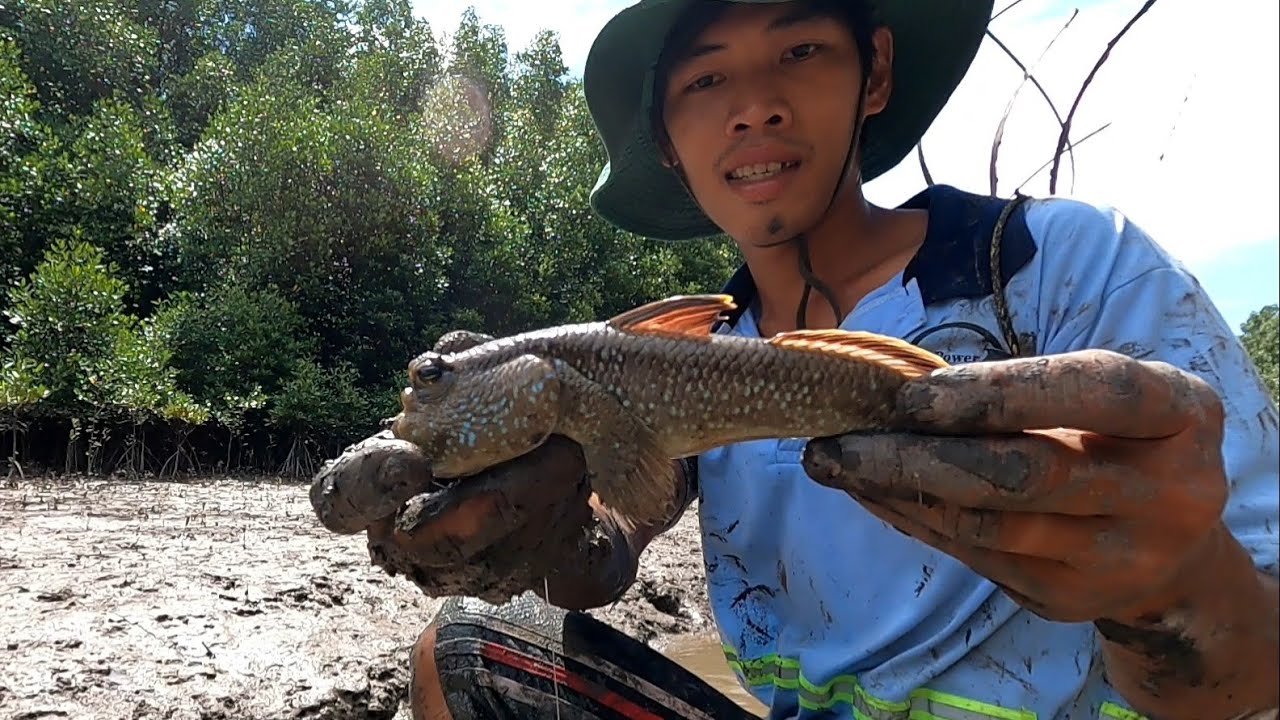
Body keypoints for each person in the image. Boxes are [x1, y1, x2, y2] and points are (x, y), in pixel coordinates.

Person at [310, 1, 1280, 718]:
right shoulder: (687, 352)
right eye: (703, 78)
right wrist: (538, 533)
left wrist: (1169, 584)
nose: (755, 105)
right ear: (667, 140)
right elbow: (605, 554)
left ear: (875, 71)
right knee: (460, 652)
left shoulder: (1062, 266)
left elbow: (1255, 668)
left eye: (799, 47)